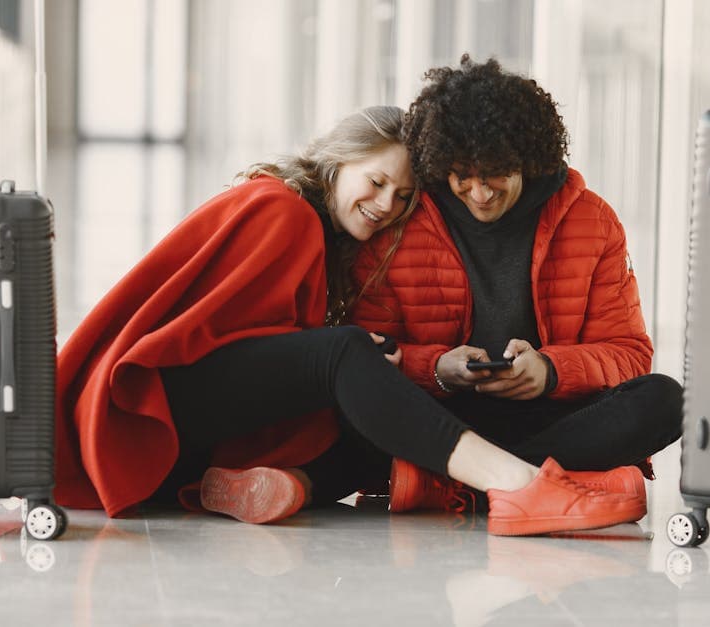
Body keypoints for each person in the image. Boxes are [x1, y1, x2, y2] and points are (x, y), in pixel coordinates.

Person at [53, 104, 647, 536]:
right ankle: (518, 486)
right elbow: (207, 331)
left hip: (183, 424)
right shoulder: (282, 209)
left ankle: (305, 483)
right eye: (376, 181)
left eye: (403, 196)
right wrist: (346, 352)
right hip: (154, 401)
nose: (386, 204)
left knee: (357, 383)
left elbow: (274, 351)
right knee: (342, 355)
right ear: (337, 162)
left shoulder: (325, 234)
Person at [351, 56, 683, 517]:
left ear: (528, 159)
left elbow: (629, 354)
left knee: (664, 400)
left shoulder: (593, 220)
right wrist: (438, 369)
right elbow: (365, 359)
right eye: (462, 175)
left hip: (551, 416)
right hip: (443, 418)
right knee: (345, 413)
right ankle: (553, 484)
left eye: (496, 175)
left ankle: (463, 486)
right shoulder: (403, 218)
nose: (480, 193)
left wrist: (549, 373)